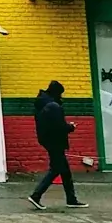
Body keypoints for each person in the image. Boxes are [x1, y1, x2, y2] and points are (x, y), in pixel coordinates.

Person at [28, 80, 86, 210]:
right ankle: (36, 195)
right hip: (56, 142)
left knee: (65, 171)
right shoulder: (53, 106)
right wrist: (70, 127)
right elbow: (59, 126)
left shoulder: (42, 103)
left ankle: (71, 199)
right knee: (56, 169)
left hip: (48, 140)